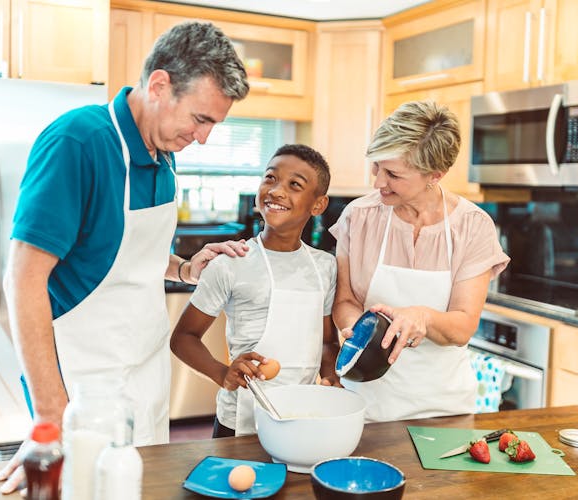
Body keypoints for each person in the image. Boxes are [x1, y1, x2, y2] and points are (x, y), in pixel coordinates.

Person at [0, 21, 250, 494]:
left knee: (144, 487)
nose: (203, 138)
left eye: (213, 124)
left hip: (146, 373)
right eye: (200, 119)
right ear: (159, 85)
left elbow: (136, 252)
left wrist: (185, 268)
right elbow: (23, 280)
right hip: (85, 383)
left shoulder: (164, 153)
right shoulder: (79, 142)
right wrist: (51, 416)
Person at [330, 100, 509, 423]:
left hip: (443, 409)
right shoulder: (358, 217)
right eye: (376, 167)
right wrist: (354, 330)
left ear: (435, 175)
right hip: (366, 405)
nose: (378, 183)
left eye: (393, 174)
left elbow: (463, 326)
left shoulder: (472, 226)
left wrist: (422, 317)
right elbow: (345, 300)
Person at [170, 144, 341, 438]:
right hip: (237, 422)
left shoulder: (324, 267)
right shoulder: (231, 263)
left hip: (302, 416)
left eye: (294, 185)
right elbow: (183, 338)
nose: (276, 191)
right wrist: (222, 373)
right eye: (270, 178)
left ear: (318, 205)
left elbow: (326, 342)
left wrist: (330, 376)